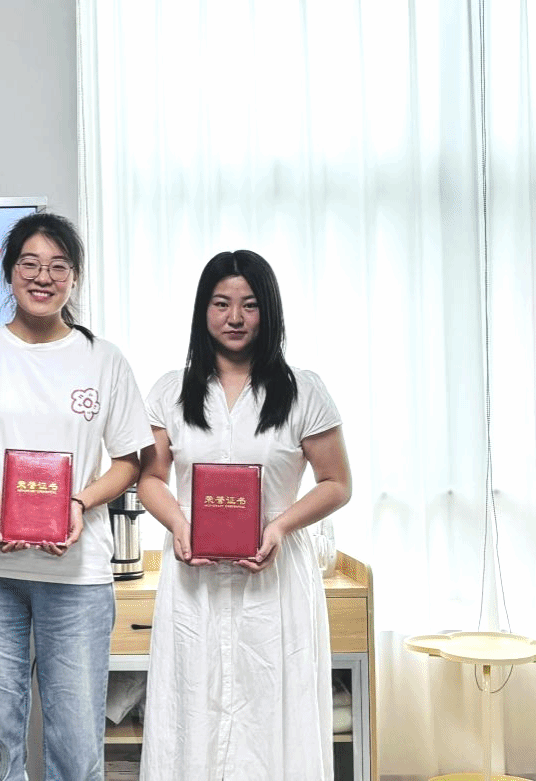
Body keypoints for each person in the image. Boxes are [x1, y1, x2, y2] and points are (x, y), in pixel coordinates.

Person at [0, 212, 151, 781]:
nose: (43, 276)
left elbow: (128, 462)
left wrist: (79, 503)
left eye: (58, 266)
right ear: (9, 273)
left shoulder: (103, 360)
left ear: (74, 277)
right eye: (29, 263)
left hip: (77, 573)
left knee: (75, 743)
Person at [137, 249, 353, 781]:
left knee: (274, 708)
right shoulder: (171, 390)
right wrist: (180, 523)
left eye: (249, 305)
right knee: (193, 705)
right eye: (221, 304)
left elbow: (336, 483)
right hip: (194, 576)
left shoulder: (303, 389)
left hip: (276, 575)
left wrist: (279, 525)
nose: (234, 317)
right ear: (203, 311)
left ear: (268, 311)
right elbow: (150, 479)